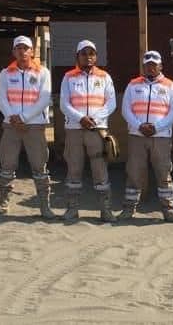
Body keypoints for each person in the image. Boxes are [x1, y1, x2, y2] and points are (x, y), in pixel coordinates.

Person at [118, 50, 173, 222]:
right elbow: (126, 110)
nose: (150, 68)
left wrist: (157, 126)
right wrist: (139, 126)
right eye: (147, 65)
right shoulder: (133, 85)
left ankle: (168, 210)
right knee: (134, 172)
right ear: (143, 66)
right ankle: (129, 209)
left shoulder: (170, 86)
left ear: (160, 66)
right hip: (137, 136)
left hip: (161, 136)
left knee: (163, 173)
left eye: (154, 65)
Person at [0, 35, 53, 218]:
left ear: (32, 51)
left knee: (39, 166)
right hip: (11, 125)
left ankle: (45, 206)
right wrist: (13, 118)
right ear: (14, 52)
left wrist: (24, 117)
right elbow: (2, 99)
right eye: (18, 48)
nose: (22, 51)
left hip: (34, 125)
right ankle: (2, 203)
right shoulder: (5, 73)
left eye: (26, 48)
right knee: (7, 164)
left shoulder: (43, 72)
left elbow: (44, 99)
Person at [60, 40, 117, 222]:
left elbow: (111, 103)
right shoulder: (68, 77)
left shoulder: (105, 77)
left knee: (100, 169)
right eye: (84, 53)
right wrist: (80, 118)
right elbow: (63, 103)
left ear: (96, 56)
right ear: (77, 57)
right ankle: (72, 210)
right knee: (74, 168)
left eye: (91, 53)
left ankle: (105, 210)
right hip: (74, 129)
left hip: (97, 129)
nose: (88, 56)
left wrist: (93, 119)